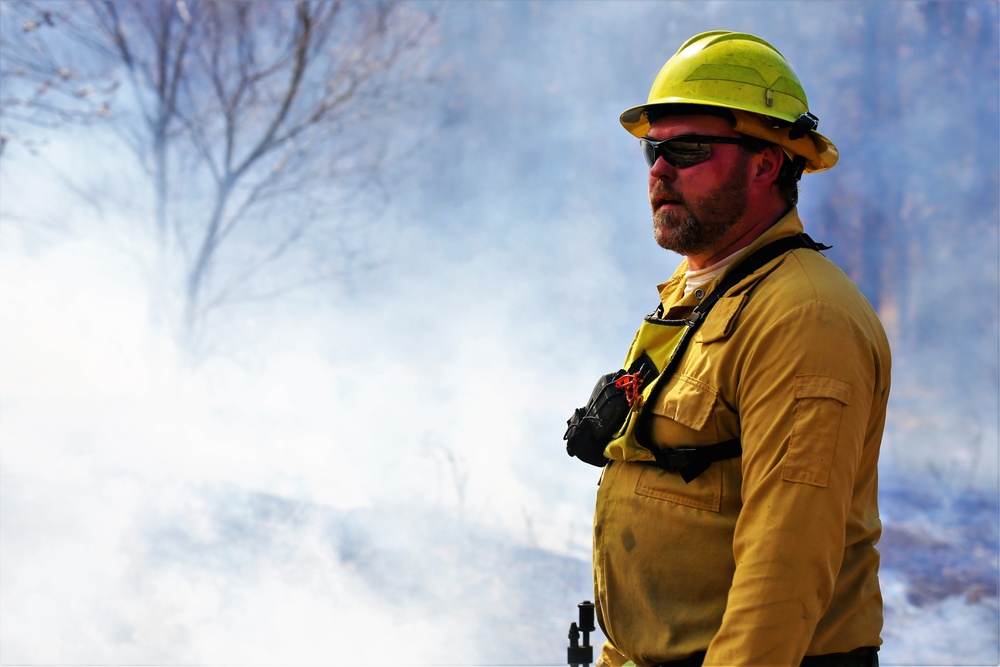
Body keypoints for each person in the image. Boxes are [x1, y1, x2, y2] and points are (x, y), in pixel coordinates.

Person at [564, 31, 891, 667]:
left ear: (766, 163)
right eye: (653, 151)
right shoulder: (701, 292)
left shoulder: (805, 317)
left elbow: (785, 567)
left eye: (686, 150)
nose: (659, 170)